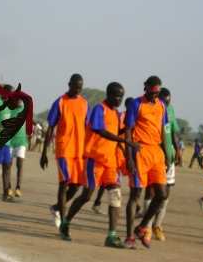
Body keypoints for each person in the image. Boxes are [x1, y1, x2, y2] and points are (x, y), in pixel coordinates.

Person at [57, 82, 142, 248]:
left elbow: (114, 136)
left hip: (110, 162)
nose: (119, 99)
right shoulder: (99, 109)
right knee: (87, 196)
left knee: (115, 196)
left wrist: (127, 153)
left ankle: (111, 237)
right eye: (117, 96)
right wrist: (125, 139)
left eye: (121, 97)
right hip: (93, 160)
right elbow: (101, 131)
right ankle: (65, 223)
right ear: (109, 95)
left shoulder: (116, 114)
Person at [124, 76, 170, 249]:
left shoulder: (162, 106)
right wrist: (129, 157)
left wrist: (166, 154)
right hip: (139, 150)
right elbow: (128, 131)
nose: (153, 95)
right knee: (135, 195)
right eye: (150, 92)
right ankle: (129, 236)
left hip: (156, 152)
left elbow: (163, 131)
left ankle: (142, 226)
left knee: (162, 194)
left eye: (156, 93)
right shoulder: (136, 104)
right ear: (146, 89)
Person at [40, 74, 90, 228]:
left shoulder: (84, 104)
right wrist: (44, 152)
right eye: (75, 86)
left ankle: (55, 208)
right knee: (64, 184)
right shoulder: (60, 102)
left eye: (80, 87)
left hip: (79, 151)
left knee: (76, 186)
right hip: (64, 149)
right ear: (69, 84)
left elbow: (89, 128)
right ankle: (62, 220)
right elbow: (50, 128)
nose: (77, 90)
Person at [9, 100, 28, 198]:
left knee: (19, 164)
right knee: (8, 165)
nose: (19, 101)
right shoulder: (8, 110)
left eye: (21, 100)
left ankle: (18, 187)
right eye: (17, 99)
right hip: (10, 141)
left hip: (21, 141)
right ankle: (8, 187)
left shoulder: (25, 109)